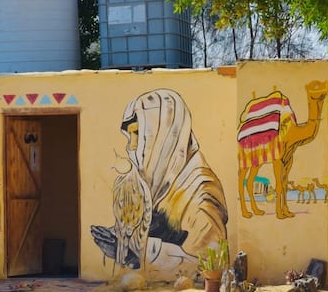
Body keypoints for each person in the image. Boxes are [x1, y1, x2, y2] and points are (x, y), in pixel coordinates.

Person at [91, 89, 228, 281]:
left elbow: (209, 265)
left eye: (138, 133)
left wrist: (141, 251)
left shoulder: (200, 190)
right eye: (130, 136)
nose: (131, 146)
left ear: (165, 133)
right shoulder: (156, 185)